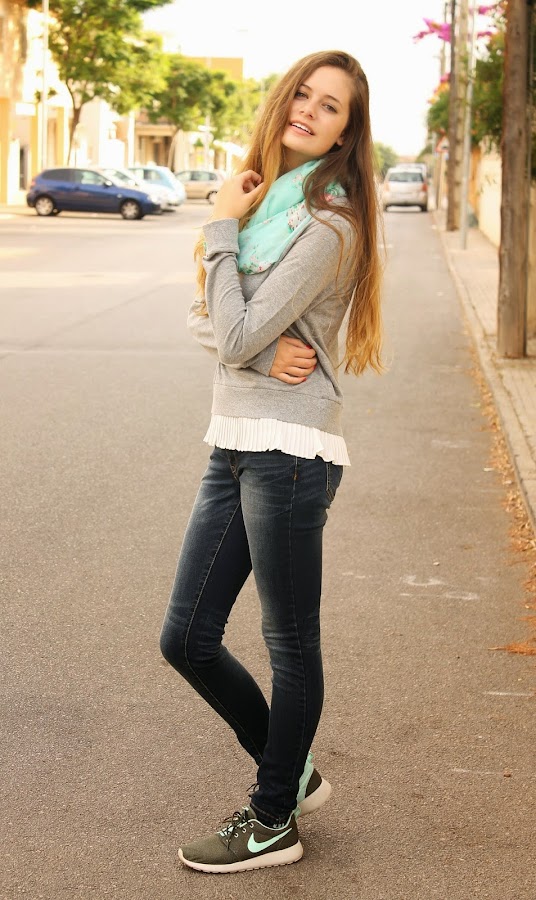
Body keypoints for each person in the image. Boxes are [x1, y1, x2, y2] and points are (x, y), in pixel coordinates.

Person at [159, 49, 384, 874]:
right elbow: (207, 319)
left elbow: (235, 329)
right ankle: (295, 775)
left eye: (330, 107)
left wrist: (219, 233)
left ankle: (270, 819)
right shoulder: (262, 207)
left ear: (345, 135)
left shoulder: (330, 226)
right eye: (304, 95)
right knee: (186, 638)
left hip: (290, 451)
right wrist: (249, 344)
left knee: (289, 643)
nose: (308, 112)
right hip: (236, 437)